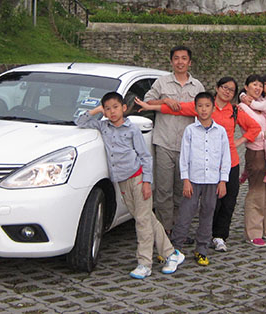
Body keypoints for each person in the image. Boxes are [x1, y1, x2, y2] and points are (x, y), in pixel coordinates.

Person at [137, 77, 261, 253]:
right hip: (205, 164)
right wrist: (151, 107)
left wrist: (238, 142)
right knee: (209, 204)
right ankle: (203, 235)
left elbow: (254, 128)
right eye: (224, 87)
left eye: (231, 90)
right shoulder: (204, 106)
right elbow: (177, 109)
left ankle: (219, 236)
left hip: (229, 161)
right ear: (217, 88)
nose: (227, 91)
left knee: (228, 202)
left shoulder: (235, 110)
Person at [75, 92, 184, 278]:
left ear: (124, 108)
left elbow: (145, 156)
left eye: (115, 107)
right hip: (122, 181)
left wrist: (147, 182)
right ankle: (171, 253)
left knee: (142, 221)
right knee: (145, 217)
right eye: (108, 108)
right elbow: (80, 121)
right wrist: (98, 109)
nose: (112, 112)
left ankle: (144, 263)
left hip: (138, 178)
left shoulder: (132, 129)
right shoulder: (103, 127)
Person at [142, 46, 205, 234]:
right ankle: (164, 229)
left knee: (182, 190)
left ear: (190, 62)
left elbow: (204, 110)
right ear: (171, 61)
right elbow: (147, 101)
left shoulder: (198, 86)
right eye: (176, 58)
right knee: (163, 190)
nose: (180, 62)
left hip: (188, 146)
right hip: (164, 143)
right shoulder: (161, 83)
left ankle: (179, 228)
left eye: (184, 58)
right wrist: (165, 101)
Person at [166, 92, 230, 266]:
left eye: (207, 106)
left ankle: (201, 249)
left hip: (212, 180)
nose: (203, 109)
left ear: (212, 108)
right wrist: (185, 179)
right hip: (193, 180)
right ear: (195, 108)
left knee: (207, 214)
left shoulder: (220, 131)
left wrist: (223, 180)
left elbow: (226, 157)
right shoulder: (190, 130)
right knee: (185, 214)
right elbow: (184, 156)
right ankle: (175, 248)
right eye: (200, 106)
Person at [238, 74, 266, 246]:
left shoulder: (262, 103)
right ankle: (253, 232)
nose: (258, 88)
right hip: (255, 154)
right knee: (256, 192)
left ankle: (265, 228)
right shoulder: (242, 108)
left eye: (260, 85)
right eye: (253, 85)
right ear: (246, 87)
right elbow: (249, 135)